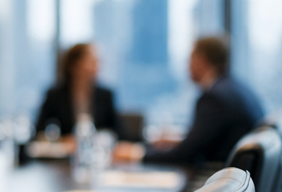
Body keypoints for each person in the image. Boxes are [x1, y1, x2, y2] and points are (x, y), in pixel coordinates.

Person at [140, 36, 264, 166]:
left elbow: (185, 155)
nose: (187, 67)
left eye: (190, 59)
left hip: (218, 173)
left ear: (201, 60)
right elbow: (209, 140)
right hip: (237, 178)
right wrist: (176, 141)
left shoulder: (214, 98)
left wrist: (138, 155)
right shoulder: (237, 88)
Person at [35, 43, 118, 138]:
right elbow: (40, 131)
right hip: (64, 151)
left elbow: (118, 132)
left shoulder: (106, 95)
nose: (97, 67)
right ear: (75, 64)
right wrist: (63, 140)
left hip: (98, 151)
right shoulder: (55, 96)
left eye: (98, 62)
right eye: (92, 62)